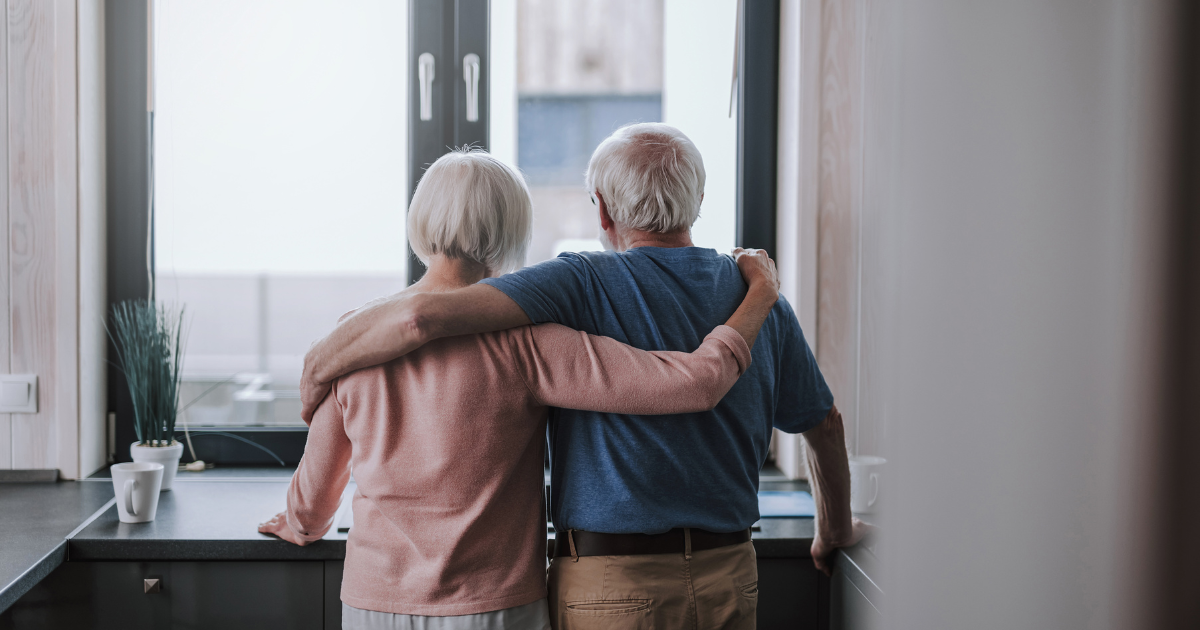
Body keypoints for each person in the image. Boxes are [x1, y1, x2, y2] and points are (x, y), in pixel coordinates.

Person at [299, 125, 867, 629]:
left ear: (601, 211)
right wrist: (834, 527)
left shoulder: (578, 284)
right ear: (697, 202)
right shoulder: (757, 298)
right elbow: (824, 424)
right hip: (731, 572)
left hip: (607, 583)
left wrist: (322, 362)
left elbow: (427, 316)